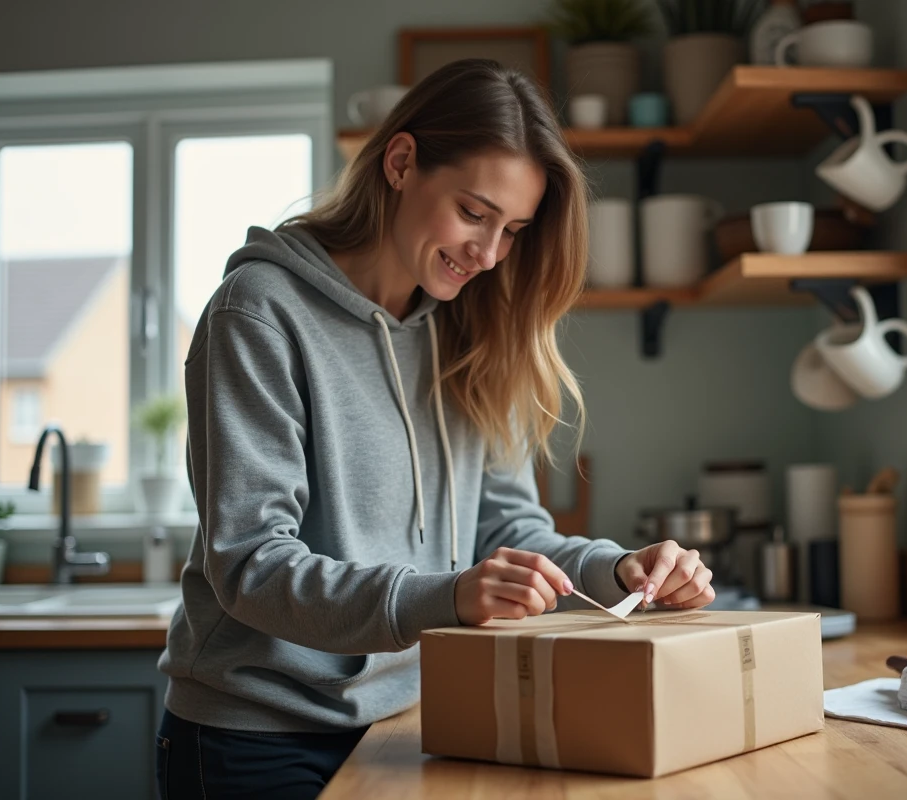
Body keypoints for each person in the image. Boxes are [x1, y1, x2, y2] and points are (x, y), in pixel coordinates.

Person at [154, 58, 715, 799]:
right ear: (401, 162)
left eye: (512, 229)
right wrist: (447, 596)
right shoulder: (257, 312)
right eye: (474, 213)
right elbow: (250, 565)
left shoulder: (470, 329)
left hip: (412, 718)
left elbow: (509, 531)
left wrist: (617, 570)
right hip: (254, 734)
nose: (488, 254)